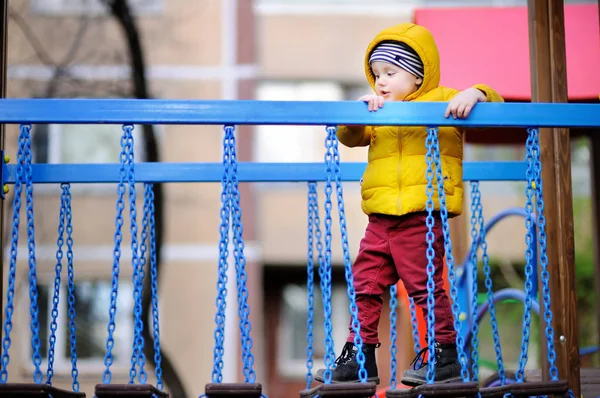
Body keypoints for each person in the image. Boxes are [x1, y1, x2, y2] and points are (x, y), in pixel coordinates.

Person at [314, 22, 504, 387]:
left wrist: (476, 94)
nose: (380, 81)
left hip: (420, 214)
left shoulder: (443, 100)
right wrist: (358, 112)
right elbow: (348, 136)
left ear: (417, 76)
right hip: (380, 219)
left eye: (390, 72)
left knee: (423, 285)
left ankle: (444, 354)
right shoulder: (379, 111)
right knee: (364, 284)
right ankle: (360, 357)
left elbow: (497, 105)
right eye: (376, 74)